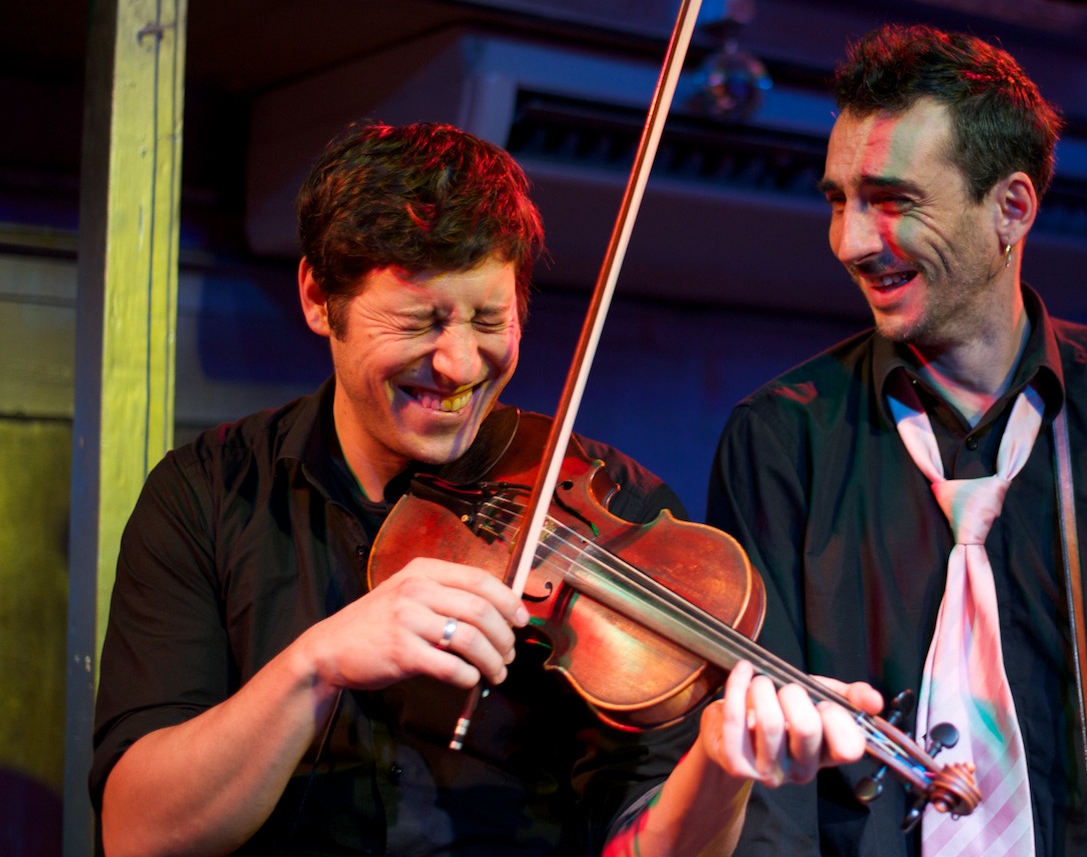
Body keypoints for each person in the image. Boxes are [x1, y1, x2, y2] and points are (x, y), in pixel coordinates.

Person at [90, 121, 876, 857]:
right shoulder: (207, 494)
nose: (460, 365)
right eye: (418, 322)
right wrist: (315, 664)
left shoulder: (620, 508)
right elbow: (136, 832)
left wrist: (721, 771)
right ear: (317, 299)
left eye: (489, 319)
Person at [702, 25, 1087, 855]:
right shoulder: (779, 437)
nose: (850, 241)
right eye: (837, 200)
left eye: (892, 200)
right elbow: (767, 786)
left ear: (1011, 209)